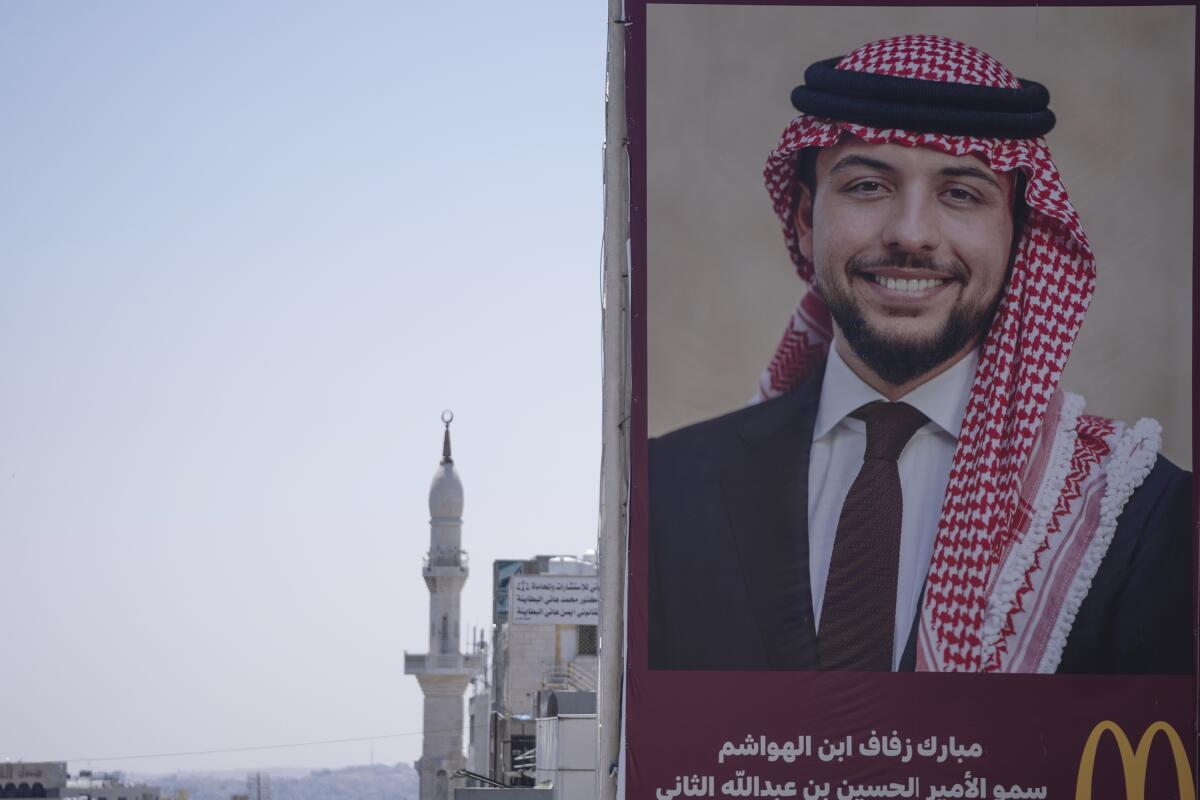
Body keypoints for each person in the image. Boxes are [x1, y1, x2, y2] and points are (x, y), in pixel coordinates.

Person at [647, 35, 1193, 674]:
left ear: (1019, 234)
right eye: (868, 185)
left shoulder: (1135, 513)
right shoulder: (666, 489)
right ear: (803, 218)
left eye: (961, 193)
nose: (910, 234)